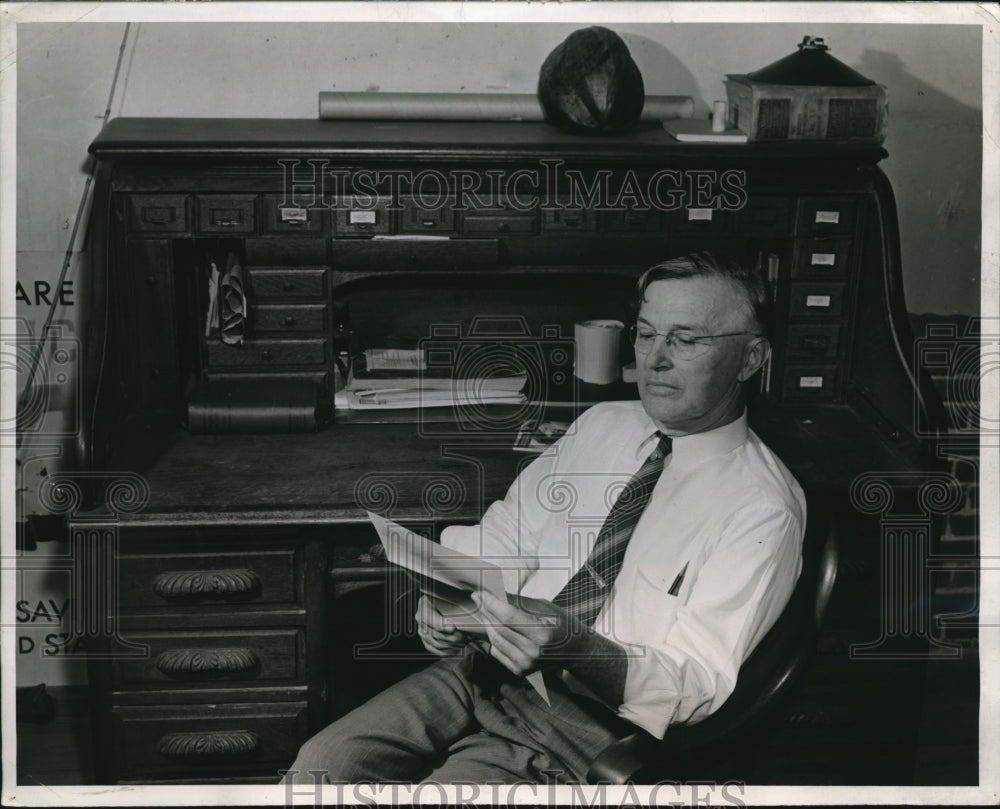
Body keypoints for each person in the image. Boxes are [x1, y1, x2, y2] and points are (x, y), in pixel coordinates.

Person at [283, 251, 806, 785]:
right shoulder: (603, 424)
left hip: (582, 726)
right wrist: (448, 603)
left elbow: (696, 686)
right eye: (646, 334)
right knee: (317, 772)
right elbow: (509, 533)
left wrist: (577, 646)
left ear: (751, 359)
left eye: (686, 339)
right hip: (481, 671)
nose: (654, 359)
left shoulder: (761, 509)